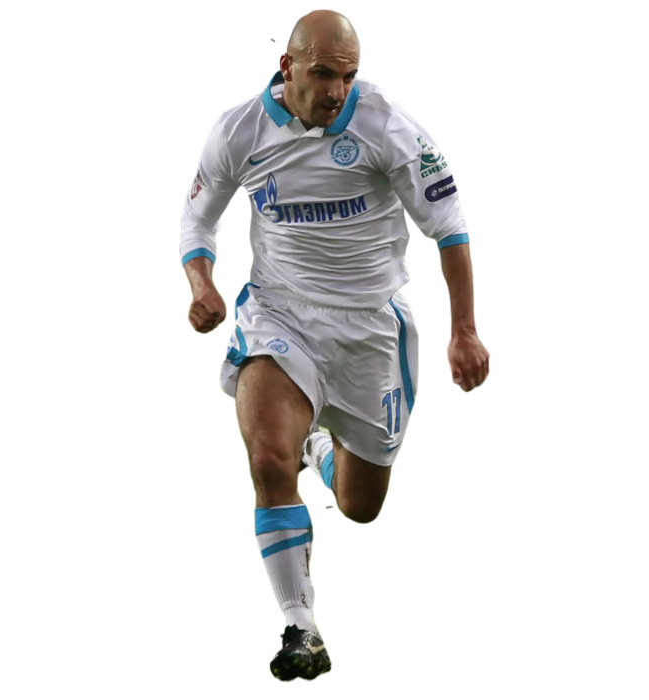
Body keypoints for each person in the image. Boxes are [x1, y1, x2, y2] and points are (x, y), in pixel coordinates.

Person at [179, 8, 490, 683]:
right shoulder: (239, 128)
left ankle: (319, 447)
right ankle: (301, 627)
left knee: (359, 508)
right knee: (267, 456)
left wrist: (463, 330)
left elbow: (449, 226)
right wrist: (202, 283)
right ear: (287, 65)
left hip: (371, 327)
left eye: (348, 77)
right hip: (279, 312)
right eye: (323, 74)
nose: (336, 91)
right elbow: (198, 218)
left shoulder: (387, 125)